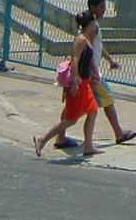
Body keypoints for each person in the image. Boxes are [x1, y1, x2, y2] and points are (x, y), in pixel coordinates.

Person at [52, 0, 136, 148]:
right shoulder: (92, 27)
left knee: (74, 107)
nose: (104, 10)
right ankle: (118, 133)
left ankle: (61, 137)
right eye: (101, 7)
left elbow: (97, 47)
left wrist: (109, 59)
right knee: (107, 100)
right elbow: (89, 51)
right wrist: (94, 72)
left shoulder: (90, 25)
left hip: (88, 72)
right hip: (91, 73)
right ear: (93, 7)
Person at [34, 11, 102, 157]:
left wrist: (95, 71)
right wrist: (75, 82)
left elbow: (88, 58)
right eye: (94, 22)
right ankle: (43, 139)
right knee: (71, 120)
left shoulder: (87, 38)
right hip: (79, 84)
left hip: (85, 82)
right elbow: (75, 60)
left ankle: (88, 146)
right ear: (91, 23)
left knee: (93, 111)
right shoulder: (81, 40)